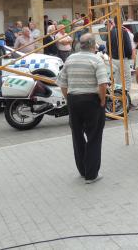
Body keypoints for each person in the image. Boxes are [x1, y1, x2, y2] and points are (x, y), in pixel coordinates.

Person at [56, 33, 108, 183]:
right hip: (92, 101)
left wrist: (69, 99)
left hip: (73, 100)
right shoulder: (96, 59)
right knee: (94, 136)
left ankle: (82, 170)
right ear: (93, 45)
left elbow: (62, 83)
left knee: (77, 136)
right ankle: (91, 174)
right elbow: (102, 84)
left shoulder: (70, 59)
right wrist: (102, 100)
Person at [107, 18, 133, 92]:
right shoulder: (124, 31)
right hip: (123, 58)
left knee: (117, 78)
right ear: (122, 22)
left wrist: (110, 55)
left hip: (113, 58)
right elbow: (128, 46)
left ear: (114, 22)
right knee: (127, 77)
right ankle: (126, 94)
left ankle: (118, 94)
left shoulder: (110, 32)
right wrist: (129, 56)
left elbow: (107, 45)